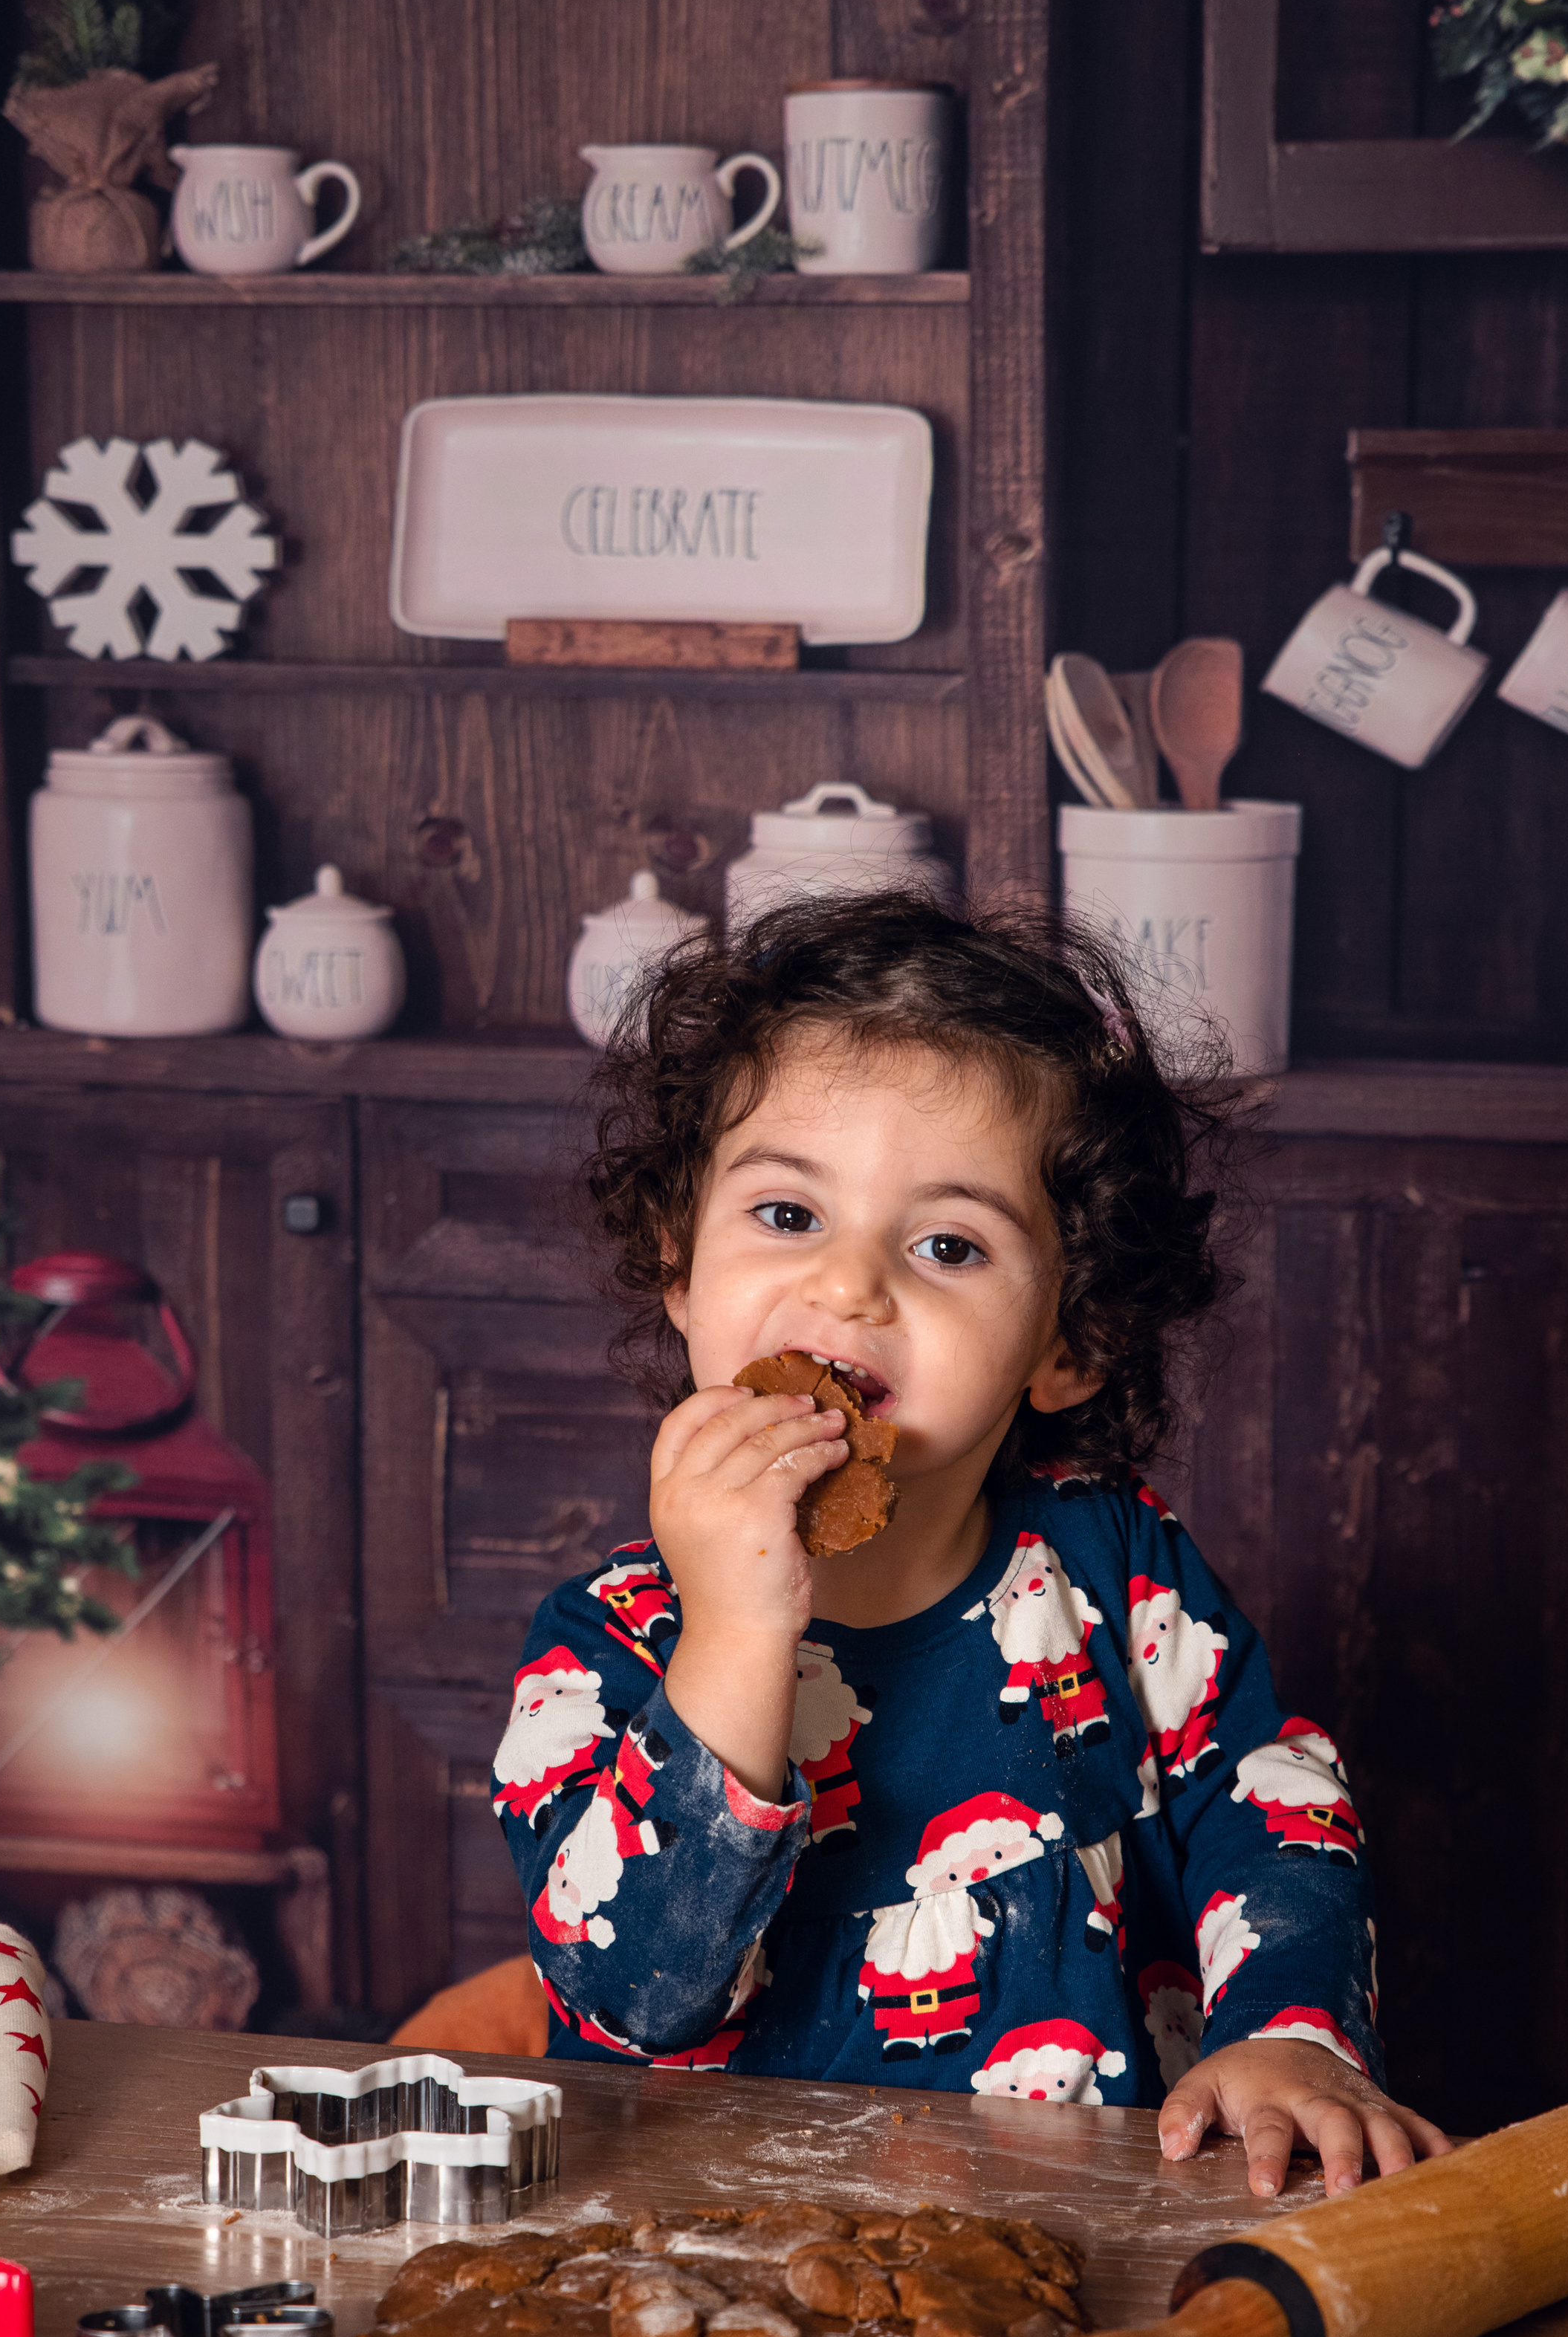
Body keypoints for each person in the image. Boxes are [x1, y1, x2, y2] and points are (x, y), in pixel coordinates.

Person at [493, 892, 1448, 2200]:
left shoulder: (1120, 1573)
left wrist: (1288, 2033)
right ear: (679, 1262)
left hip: (1087, 2236)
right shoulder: (596, 1650)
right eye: (788, 1215)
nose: (850, 1284)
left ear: (1072, 1342)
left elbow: (1269, 1811)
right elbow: (639, 2000)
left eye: (948, 1244)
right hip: (711, 2254)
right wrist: (735, 1632)